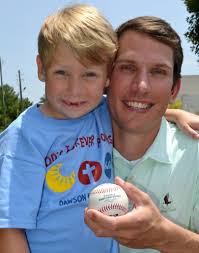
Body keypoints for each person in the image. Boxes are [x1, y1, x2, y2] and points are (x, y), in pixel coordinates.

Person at [0, 4, 118, 253]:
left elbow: (139, 113)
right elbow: (9, 229)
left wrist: (176, 114)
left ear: (108, 75)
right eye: (62, 73)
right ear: (41, 68)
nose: (75, 90)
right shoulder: (24, 136)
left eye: (89, 75)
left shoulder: (104, 112)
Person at [84, 16, 199, 253]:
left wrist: (166, 237)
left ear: (174, 89)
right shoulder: (62, 148)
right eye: (127, 67)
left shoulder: (195, 155)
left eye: (158, 71)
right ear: (107, 78)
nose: (141, 86)